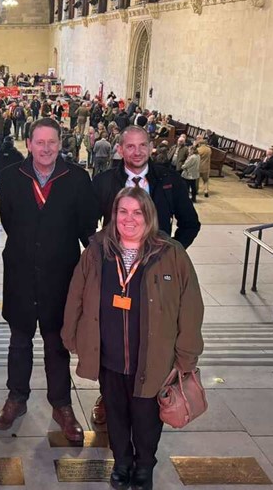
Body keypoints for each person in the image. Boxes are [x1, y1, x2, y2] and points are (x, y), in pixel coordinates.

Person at [62, 187, 204, 490]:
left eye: (137, 212)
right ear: (113, 216)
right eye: (122, 212)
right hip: (110, 356)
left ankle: (144, 465)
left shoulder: (171, 253)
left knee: (147, 419)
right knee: (115, 415)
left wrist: (186, 356)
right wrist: (72, 335)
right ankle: (122, 462)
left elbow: (191, 306)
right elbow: (77, 292)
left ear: (148, 216)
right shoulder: (98, 249)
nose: (129, 219)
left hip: (153, 359)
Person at [0, 118, 100, 442]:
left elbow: (86, 228)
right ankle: (16, 399)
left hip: (61, 280)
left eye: (52, 142)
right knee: (19, 343)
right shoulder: (10, 178)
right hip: (21, 277)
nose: (46, 148)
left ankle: (62, 405)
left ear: (60, 143)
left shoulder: (78, 179)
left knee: (57, 345)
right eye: (40, 142)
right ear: (28, 144)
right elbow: (9, 221)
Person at [91, 126, 200, 427]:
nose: (136, 152)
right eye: (130, 146)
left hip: (155, 276)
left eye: (142, 146)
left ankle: (152, 392)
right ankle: (107, 395)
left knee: (151, 335)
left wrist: (171, 256)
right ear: (120, 149)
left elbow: (190, 223)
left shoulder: (168, 180)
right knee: (112, 339)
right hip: (117, 274)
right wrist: (101, 259)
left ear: (151, 147)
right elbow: (87, 225)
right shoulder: (103, 182)